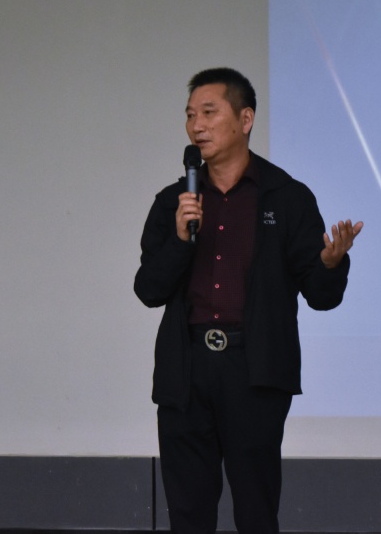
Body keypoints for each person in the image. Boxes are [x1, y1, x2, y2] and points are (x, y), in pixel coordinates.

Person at [133, 67, 362, 534]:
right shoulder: (173, 202)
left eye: (209, 113)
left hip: (254, 371)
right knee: (188, 513)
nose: (196, 125)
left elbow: (320, 297)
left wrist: (330, 263)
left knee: (256, 511)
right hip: (186, 371)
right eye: (190, 115)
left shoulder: (287, 197)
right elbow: (148, 289)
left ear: (245, 119)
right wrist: (179, 239)